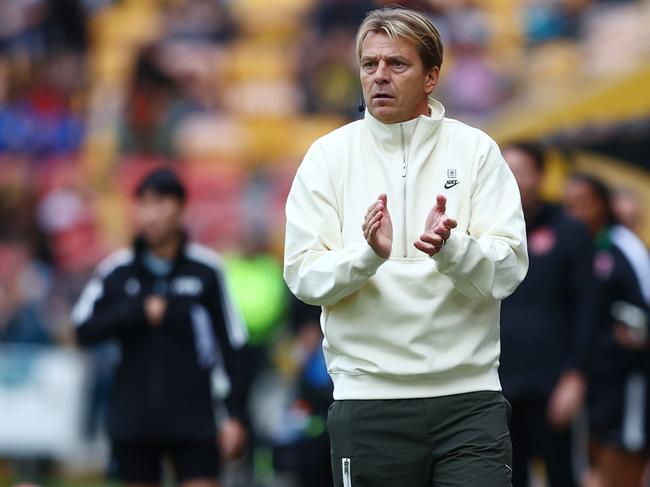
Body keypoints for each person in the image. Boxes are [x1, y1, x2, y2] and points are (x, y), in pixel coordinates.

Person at [283, 7, 529, 487]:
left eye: (396, 64)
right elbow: (303, 277)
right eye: (369, 64)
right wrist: (367, 255)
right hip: (368, 402)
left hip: (469, 401)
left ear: (431, 75)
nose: (379, 76)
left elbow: (509, 269)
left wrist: (451, 248)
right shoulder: (326, 157)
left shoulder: (476, 151)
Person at [72, 168, 249, 487]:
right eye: (143, 204)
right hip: (133, 418)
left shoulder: (206, 271)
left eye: (160, 204)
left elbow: (233, 344)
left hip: (194, 417)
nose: (150, 215)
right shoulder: (117, 270)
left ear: (181, 209)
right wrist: (136, 312)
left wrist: (235, 415)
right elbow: (83, 329)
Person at [500, 143, 596, 487]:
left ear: (540, 175)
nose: (511, 180)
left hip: (553, 384)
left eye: (520, 172)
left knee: (562, 475)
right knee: (508, 477)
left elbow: (588, 309)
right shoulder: (484, 234)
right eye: (504, 171)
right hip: (499, 387)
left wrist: (575, 376)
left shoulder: (568, 231)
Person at [563, 173, 650, 487]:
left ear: (602, 204)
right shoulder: (575, 247)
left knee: (623, 449)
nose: (576, 213)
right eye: (569, 206)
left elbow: (642, 304)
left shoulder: (622, 244)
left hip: (625, 377)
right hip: (590, 376)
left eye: (583, 204)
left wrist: (633, 330)